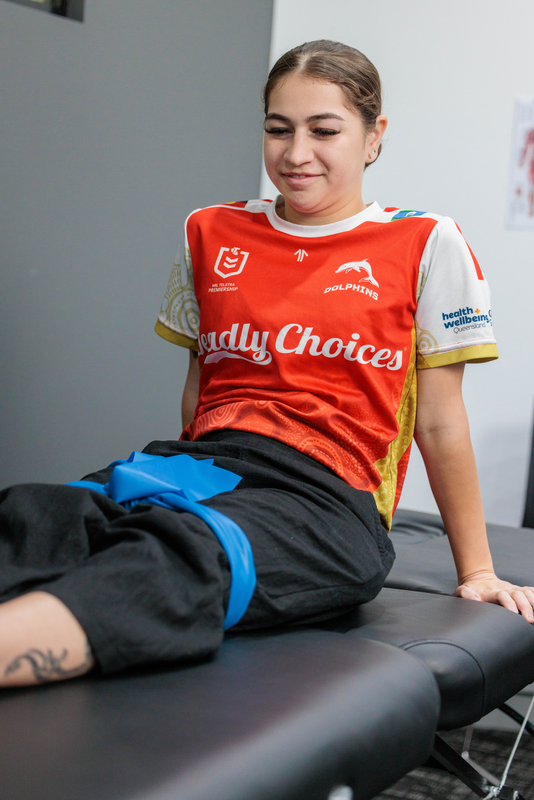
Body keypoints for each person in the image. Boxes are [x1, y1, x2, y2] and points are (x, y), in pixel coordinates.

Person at [1, 40, 533, 689]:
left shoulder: (425, 242)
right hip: (199, 467)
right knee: (32, 516)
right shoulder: (210, 231)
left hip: (330, 499)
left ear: (374, 136)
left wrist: (476, 570)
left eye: (324, 130)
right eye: (278, 129)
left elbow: (441, 424)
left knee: (170, 561)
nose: (296, 152)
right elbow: (200, 390)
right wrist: (167, 490)